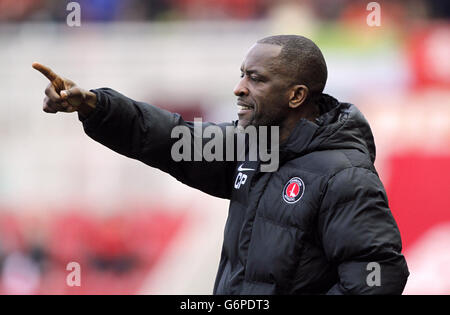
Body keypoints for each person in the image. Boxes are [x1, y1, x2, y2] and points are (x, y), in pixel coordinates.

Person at [33, 35, 409, 294]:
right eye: (242, 75)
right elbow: (168, 137)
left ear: (296, 96)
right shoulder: (252, 145)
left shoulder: (345, 176)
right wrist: (95, 105)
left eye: (256, 79)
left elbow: (379, 277)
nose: (239, 88)